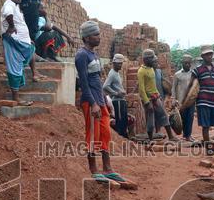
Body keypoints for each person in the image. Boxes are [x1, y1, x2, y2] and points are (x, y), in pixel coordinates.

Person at [76, 21, 126, 182]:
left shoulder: (94, 55)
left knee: (105, 134)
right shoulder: (82, 55)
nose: (99, 37)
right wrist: (93, 103)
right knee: (92, 135)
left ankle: (107, 168)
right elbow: (84, 83)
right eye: (96, 34)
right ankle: (93, 170)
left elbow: (97, 80)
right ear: (87, 37)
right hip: (91, 103)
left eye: (98, 33)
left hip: (101, 101)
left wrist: (105, 100)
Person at [0, 0, 36, 103]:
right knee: (14, 68)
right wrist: (11, 26)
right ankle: (16, 98)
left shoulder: (15, 6)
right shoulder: (9, 5)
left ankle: (18, 95)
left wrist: (27, 39)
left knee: (30, 51)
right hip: (13, 42)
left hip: (20, 42)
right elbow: (8, 14)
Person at [137, 48, 177, 141]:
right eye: (152, 58)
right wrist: (147, 102)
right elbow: (141, 89)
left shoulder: (151, 69)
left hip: (155, 96)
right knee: (150, 120)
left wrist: (158, 95)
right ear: (146, 60)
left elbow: (153, 85)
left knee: (163, 115)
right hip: (148, 99)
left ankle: (171, 136)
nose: (154, 60)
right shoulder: (141, 71)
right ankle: (151, 139)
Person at [192, 45, 214, 150]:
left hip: (213, 102)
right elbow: (192, 87)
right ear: (202, 56)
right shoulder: (197, 70)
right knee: (206, 126)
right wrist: (188, 101)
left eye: (210, 54)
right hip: (202, 102)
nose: (209, 56)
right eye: (206, 54)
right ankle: (209, 149)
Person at [103, 53, 129, 137]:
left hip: (121, 100)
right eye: (119, 63)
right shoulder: (113, 74)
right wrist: (116, 93)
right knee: (120, 122)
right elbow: (105, 86)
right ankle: (121, 139)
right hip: (117, 101)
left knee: (124, 121)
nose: (121, 65)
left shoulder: (116, 73)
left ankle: (124, 139)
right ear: (114, 63)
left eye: (121, 63)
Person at [172, 54, 197, 141]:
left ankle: (188, 135)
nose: (187, 65)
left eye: (189, 63)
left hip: (191, 100)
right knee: (182, 118)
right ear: (182, 63)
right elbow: (173, 88)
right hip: (180, 100)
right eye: (185, 63)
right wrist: (174, 99)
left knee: (190, 117)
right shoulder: (177, 75)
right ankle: (184, 135)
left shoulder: (193, 74)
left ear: (191, 64)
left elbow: (196, 87)